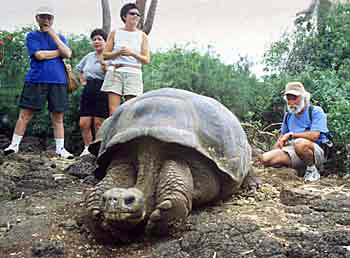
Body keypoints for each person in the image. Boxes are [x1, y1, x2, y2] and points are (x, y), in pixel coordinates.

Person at [3, 5, 73, 159]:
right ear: (37, 18)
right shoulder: (31, 36)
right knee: (25, 114)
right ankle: (14, 145)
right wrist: (58, 52)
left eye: (49, 17)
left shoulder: (60, 37)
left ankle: (60, 149)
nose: (46, 20)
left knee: (58, 116)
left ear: (53, 19)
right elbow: (39, 55)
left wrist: (54, 36)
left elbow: (67, 53)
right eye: (43, 17)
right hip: (36, 80)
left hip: (58, 81)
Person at [260, 82, 330, 182]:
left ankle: (312, 170)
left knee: (300, 143)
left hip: (314, 151)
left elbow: (315, 135)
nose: (292, 102)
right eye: (289, 99)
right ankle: (298, 169)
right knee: (265, 159)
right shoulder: (288, 115)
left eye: (295, 98)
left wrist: (292, 135)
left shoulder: (315, 111)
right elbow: (282, 137)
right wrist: (276, 148)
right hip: (293, 150)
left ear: (304, 97)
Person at [101, 3, 150, 115]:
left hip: (133, 72)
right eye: (132, 13)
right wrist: (118, 53)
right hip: (115, 71)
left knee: (131, 109)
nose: (136, 16)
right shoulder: (115, 32)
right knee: (113, 111)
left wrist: (132, 53)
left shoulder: (142, 36)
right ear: (124, 16)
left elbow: (146, 60)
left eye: (138, 15)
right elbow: (105, 55)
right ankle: (114, 132)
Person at [76, 29, 109, 157]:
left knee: (98, 123)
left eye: (99, 39)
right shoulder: (89, 56)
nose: (96, 42)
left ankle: (99, 150)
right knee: (83, 122)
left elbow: (113, 75)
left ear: (106, 42)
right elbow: (79, 69)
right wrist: (82, 81)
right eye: (94, 39)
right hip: (89, 88)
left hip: (103, 88)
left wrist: (105, 67)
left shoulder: (109, 56)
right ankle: (87, 148)